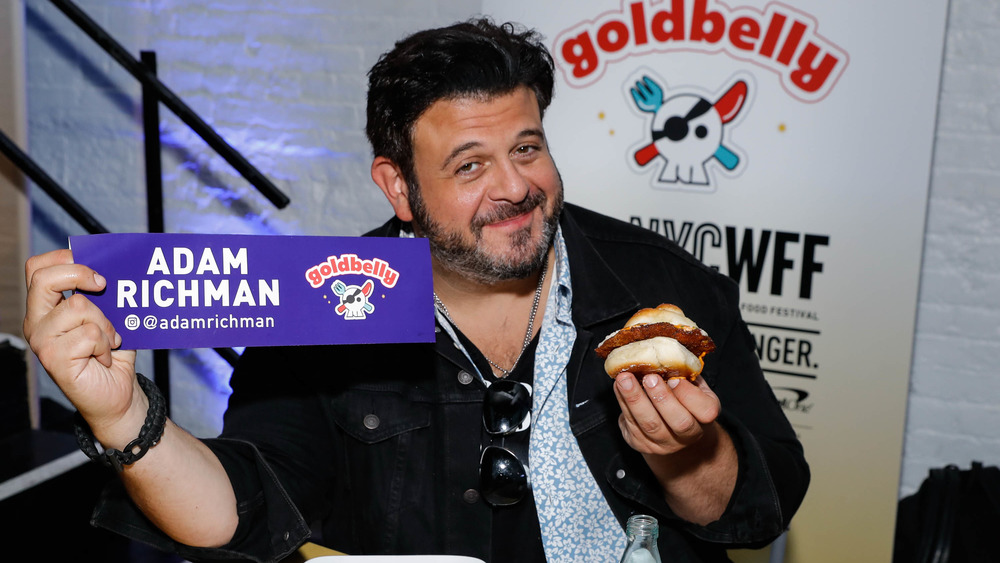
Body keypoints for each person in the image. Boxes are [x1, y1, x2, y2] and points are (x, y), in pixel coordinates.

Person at [22, 18, 808, 563]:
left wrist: (688, 453)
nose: (516, 187)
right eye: (470, 166)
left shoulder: (661, 284)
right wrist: (121, 414)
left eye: (527, 147)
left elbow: (751, 514)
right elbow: (239, 509)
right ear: (399, 188)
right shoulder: (321, 307)